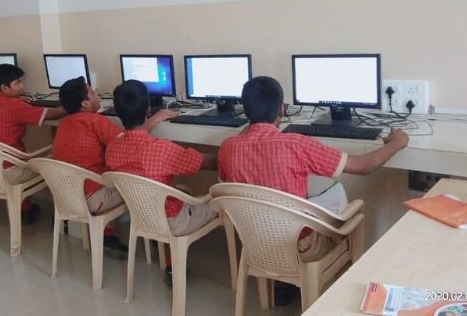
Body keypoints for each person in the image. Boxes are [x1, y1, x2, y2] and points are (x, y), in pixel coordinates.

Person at [217, 76, 409, 304]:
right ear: (281, 109)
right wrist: (397, 142)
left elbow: (238, 158)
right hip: (302, 246)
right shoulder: (295, 144)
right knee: (351, 211)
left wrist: (253, 128)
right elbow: (364, 166)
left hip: (254, 242)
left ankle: (283, 285)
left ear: (245, 109)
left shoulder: (227, 148)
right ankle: (346, 293)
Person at [53, 76, 177, 257]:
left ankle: (108, 234)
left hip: (64, 196)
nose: (97, 95)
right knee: (147, 183)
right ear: (85, 104)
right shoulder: (95, 121)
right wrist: (156, 117)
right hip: (91, 198)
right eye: (93, 93)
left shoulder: (64, 123)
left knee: (110, 169)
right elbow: (129, 141)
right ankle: (157, 237)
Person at [106, 80, 218, 237]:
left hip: (140, 217)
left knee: (183, 189)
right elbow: (210, 163)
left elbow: (132, 139)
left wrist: (155, 119)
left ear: (117, 112)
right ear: (148, 110)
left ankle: (163, 249)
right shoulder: (161, 150)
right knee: (220, 201)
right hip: (173, 221)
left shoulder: (112, 148)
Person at [0, 64, 66, 224]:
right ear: (4, 87)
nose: (22, 87)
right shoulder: (15, 106)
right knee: (55, 159)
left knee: (22, 154)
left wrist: (17, 101)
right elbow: (53, 114)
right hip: (10, 172)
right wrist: (74, 104)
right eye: (17, 83)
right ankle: (61, 219)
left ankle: (26, 207)